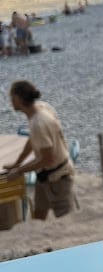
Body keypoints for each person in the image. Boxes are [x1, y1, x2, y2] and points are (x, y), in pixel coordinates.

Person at [3, 81, 75, 219]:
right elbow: (33, 141)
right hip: (44, 176)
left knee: (66, 219)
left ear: (18, 98)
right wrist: (18, 163)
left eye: (11, 97)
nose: (10, 102)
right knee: (39, 214)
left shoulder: (39, 123)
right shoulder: (41, 108)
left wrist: (19, 171)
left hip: (58, 178)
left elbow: (48, 158)